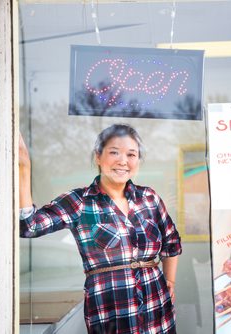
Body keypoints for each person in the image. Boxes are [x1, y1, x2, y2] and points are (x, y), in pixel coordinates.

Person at [18, 124, 182, 333]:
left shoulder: (149, 198)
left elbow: (171, 242)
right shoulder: (79, 202)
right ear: (98, 156)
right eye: (114, 152)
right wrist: (24, 168)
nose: (123, 161)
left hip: (157, 309)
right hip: (109, 313)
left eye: (131, 154)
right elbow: (29, 226)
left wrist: (169, 281)